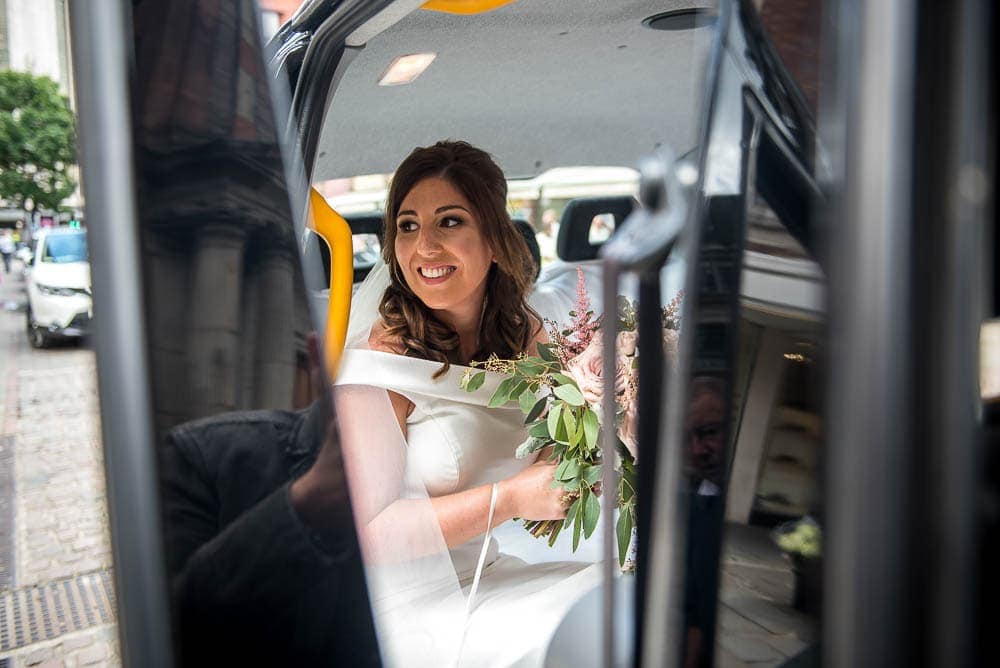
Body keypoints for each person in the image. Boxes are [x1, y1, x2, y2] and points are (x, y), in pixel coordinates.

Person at [333, 140, 602, 667]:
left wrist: (590, 446)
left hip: (486, 576)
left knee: (617, 599)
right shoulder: (376, 368)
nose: (423, 247)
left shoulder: (525, 335)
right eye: (407, 226)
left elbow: (573, 432)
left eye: (449, 222)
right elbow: (366, 535)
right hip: (391, 607)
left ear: (496, 242)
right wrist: (511, 498)